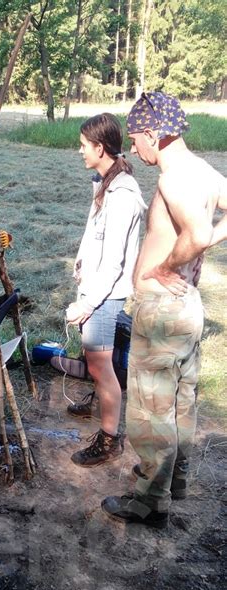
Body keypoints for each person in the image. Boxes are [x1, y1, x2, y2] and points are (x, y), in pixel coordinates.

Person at [102, 92, 227, 529]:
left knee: (150, 408)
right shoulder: (207, 172)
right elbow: (210, 227)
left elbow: (193, 234)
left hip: (162, 310)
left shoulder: (174, 178)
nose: (134, 148)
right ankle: (176, 481)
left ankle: (148, 501)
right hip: (188, 305)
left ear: (153, 133)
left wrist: (165, 264)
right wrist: (201, 246)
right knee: (181, 400)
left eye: (136, 139)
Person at [65, 113, 146, 468]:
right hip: (97, 289)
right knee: (99, 362)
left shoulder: (123, 193)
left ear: (100, 147)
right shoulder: (104, 183)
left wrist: (87, 302)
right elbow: (96, 241)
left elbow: (113, 262)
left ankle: (110, 439)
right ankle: (97, 406)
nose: (80, 151)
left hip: (105, 295)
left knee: (101, 367)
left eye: (84, 145)